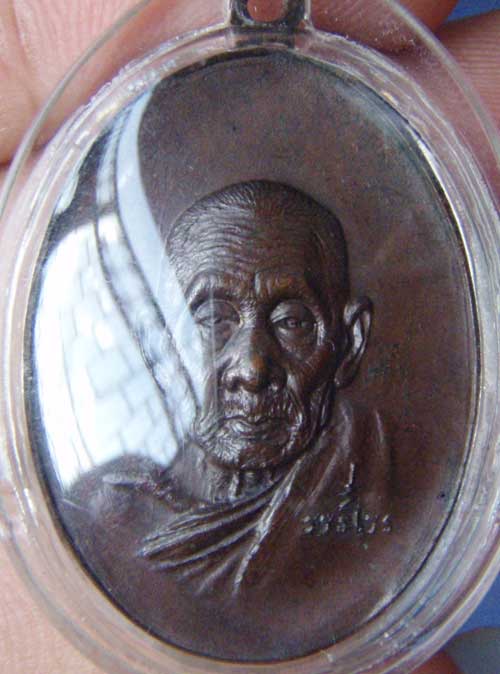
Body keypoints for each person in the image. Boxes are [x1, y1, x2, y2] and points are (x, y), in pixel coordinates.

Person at [2, 1, 499, 672]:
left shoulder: (395, 492)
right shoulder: (113, 510)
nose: (250, 367)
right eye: (213, 320)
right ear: (161, 337)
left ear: (350, 342)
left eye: (291, 322)